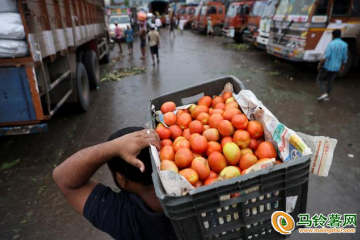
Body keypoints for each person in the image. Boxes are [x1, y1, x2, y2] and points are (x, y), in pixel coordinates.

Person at [53, 127, 178, 240]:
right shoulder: (190, 188)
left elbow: (62, 178)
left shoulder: (123, 216)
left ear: (121, 179)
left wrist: (114, 147)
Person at [317, 29, 348, 101]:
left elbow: (326, 56)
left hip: (327, 66)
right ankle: (327, 97)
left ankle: (323, 93)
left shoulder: (331, 44)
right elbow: (345, 58)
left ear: (333, 35)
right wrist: (342, 66)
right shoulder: (345, 45)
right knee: (330, 81)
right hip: (336, 67)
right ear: (340, 35)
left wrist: (320, 64)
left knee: (319, 80)